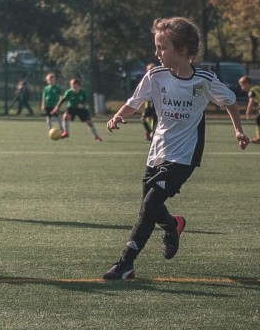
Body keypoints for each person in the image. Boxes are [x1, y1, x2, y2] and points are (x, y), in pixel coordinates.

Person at [102, 17, 249, 280]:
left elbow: (229, 101)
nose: (157, 53)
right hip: (157, 151)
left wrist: (237, 130)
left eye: (162, 47)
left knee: (149, 205)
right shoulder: (155, 76)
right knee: (151, 205)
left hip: (184, 156)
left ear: (182, 50)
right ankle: (173, 225)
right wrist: (118, 115)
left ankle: (125, 264)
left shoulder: (204, 80)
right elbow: (134, 102)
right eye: (157, 47)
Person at [239, 75, 260, 144]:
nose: (242, 88)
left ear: (248, 84)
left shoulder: (252, 91)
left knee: (258, 119)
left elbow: (251, 102)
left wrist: (248, 112)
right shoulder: (257, 88)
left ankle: (259, 138)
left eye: (242, 85)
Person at [141, 62, 158, 141]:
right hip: (148, 104)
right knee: (144, 119)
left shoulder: (157, 80)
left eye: (152, 69)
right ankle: (149, 132)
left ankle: (152, 133)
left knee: (153, 119)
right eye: (148, 69)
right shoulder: (146, 80)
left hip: (155, 104)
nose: (150, 71)